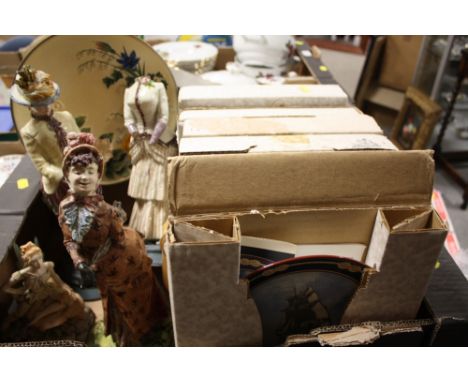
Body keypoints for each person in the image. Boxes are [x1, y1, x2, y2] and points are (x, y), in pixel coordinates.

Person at [58, 133, 168, 346]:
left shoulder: (100, 204)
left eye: (90, 172)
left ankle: (150, 326)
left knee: (141, 291)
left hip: (126, 255)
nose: (84, 177)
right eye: (78, 171)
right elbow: (70, 241)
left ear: (97, 176)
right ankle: (129, 337)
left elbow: (117, 234)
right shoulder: (67, 209)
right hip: (108, 266)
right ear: (67, 176)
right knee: (121, 302)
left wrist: (115, 220)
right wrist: (79, 261)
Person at [10, 65, 80, 213]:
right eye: (39, 105)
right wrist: (59, 174)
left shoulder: (65, 117)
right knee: (69, 212)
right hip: (60, 181)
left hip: (80, 170)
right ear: (29, 106)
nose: (45, 108)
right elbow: (40, 162)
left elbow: (81, 140)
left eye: (47, 102)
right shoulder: (29, 132)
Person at [1, 242, 95, 342]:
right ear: (28, 262)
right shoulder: (24, 273)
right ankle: (4, 332)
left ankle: (36, 321)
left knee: (64, 303)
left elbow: (56, 278)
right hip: (31, 298)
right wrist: (21, 292)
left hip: (47, 294)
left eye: (39, 259)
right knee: (17, 316)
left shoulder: (47, 266)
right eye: (34, 261)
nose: (37, 263)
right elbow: (6, 288)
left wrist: (65, 288)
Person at [123, 76, 177, 240]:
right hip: (140, 144)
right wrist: (135, 133)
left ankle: (162, 228)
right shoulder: (129, 90)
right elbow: (128, 119)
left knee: (160, 187)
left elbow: (164, 117)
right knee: (143, 188)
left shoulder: (158, 87)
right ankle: (142, 228)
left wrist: (153, 138)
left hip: (159, 142)